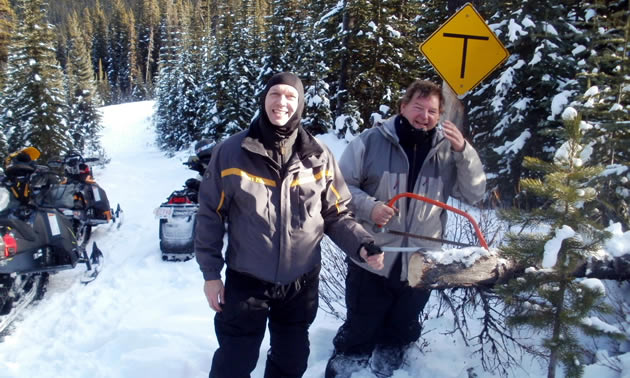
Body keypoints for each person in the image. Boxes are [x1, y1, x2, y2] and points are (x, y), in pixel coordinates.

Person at [194, 72, 384, 378]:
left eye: (290, 96)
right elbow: (210, 215)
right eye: (275, 94)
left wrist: (361, 242)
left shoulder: (318, 156)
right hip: (247, 278)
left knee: (292, 361)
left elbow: (336, 213)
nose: (282, 102)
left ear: (300, 105)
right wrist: (211, 274)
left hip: (300, 282)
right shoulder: (232, 152)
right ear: (264, 100)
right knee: (234, 360)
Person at [325, 80, 487, 377]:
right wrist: (369, 206)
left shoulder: (448, 150)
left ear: (439, 116)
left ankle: (391, 358)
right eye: (418, 108)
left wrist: (464, 150)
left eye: (432, 111)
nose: (424, 116)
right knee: (362, 322)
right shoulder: (371, 141)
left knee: (403, 324)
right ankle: (349, 360)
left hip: (421, 260)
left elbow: (475, 193)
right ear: (403, 107)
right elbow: (340, 187)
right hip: (374, 255)